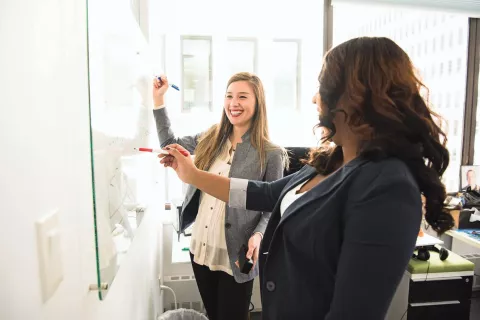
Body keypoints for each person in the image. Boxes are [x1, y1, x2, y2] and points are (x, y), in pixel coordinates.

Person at [158, 37, 454, 319]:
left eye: (322, 86)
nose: (315, 98)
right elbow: (265, 193)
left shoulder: (388, 186)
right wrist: (194, 175)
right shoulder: (330, 160)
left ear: (356, 95)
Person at [152, 72, 285, 320]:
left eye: (242, 97)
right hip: (201, 248)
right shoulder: (211, 137)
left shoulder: (271, 153)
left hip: (236, 254)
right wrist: (158, 100)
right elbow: (169, 142)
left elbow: (272, 207)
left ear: (258, 103)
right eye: (229, 96)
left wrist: (258, 235)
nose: (233, 103)